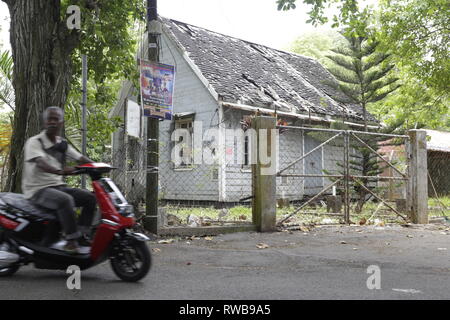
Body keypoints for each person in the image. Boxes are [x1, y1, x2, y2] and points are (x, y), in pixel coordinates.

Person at [22, 106, 96, 254]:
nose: (52, 122)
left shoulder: (61, 143)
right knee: (65, 200)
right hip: (37, 189)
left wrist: (96, 166)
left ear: (61, 123)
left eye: (56, 119)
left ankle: (81, 235)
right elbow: (41, 163)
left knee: (90, 198)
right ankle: (71, 241)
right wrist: (61, 171)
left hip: (57, 186)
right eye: (50, 119)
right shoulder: (35, 142)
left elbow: (79, 157)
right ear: (44, 122)